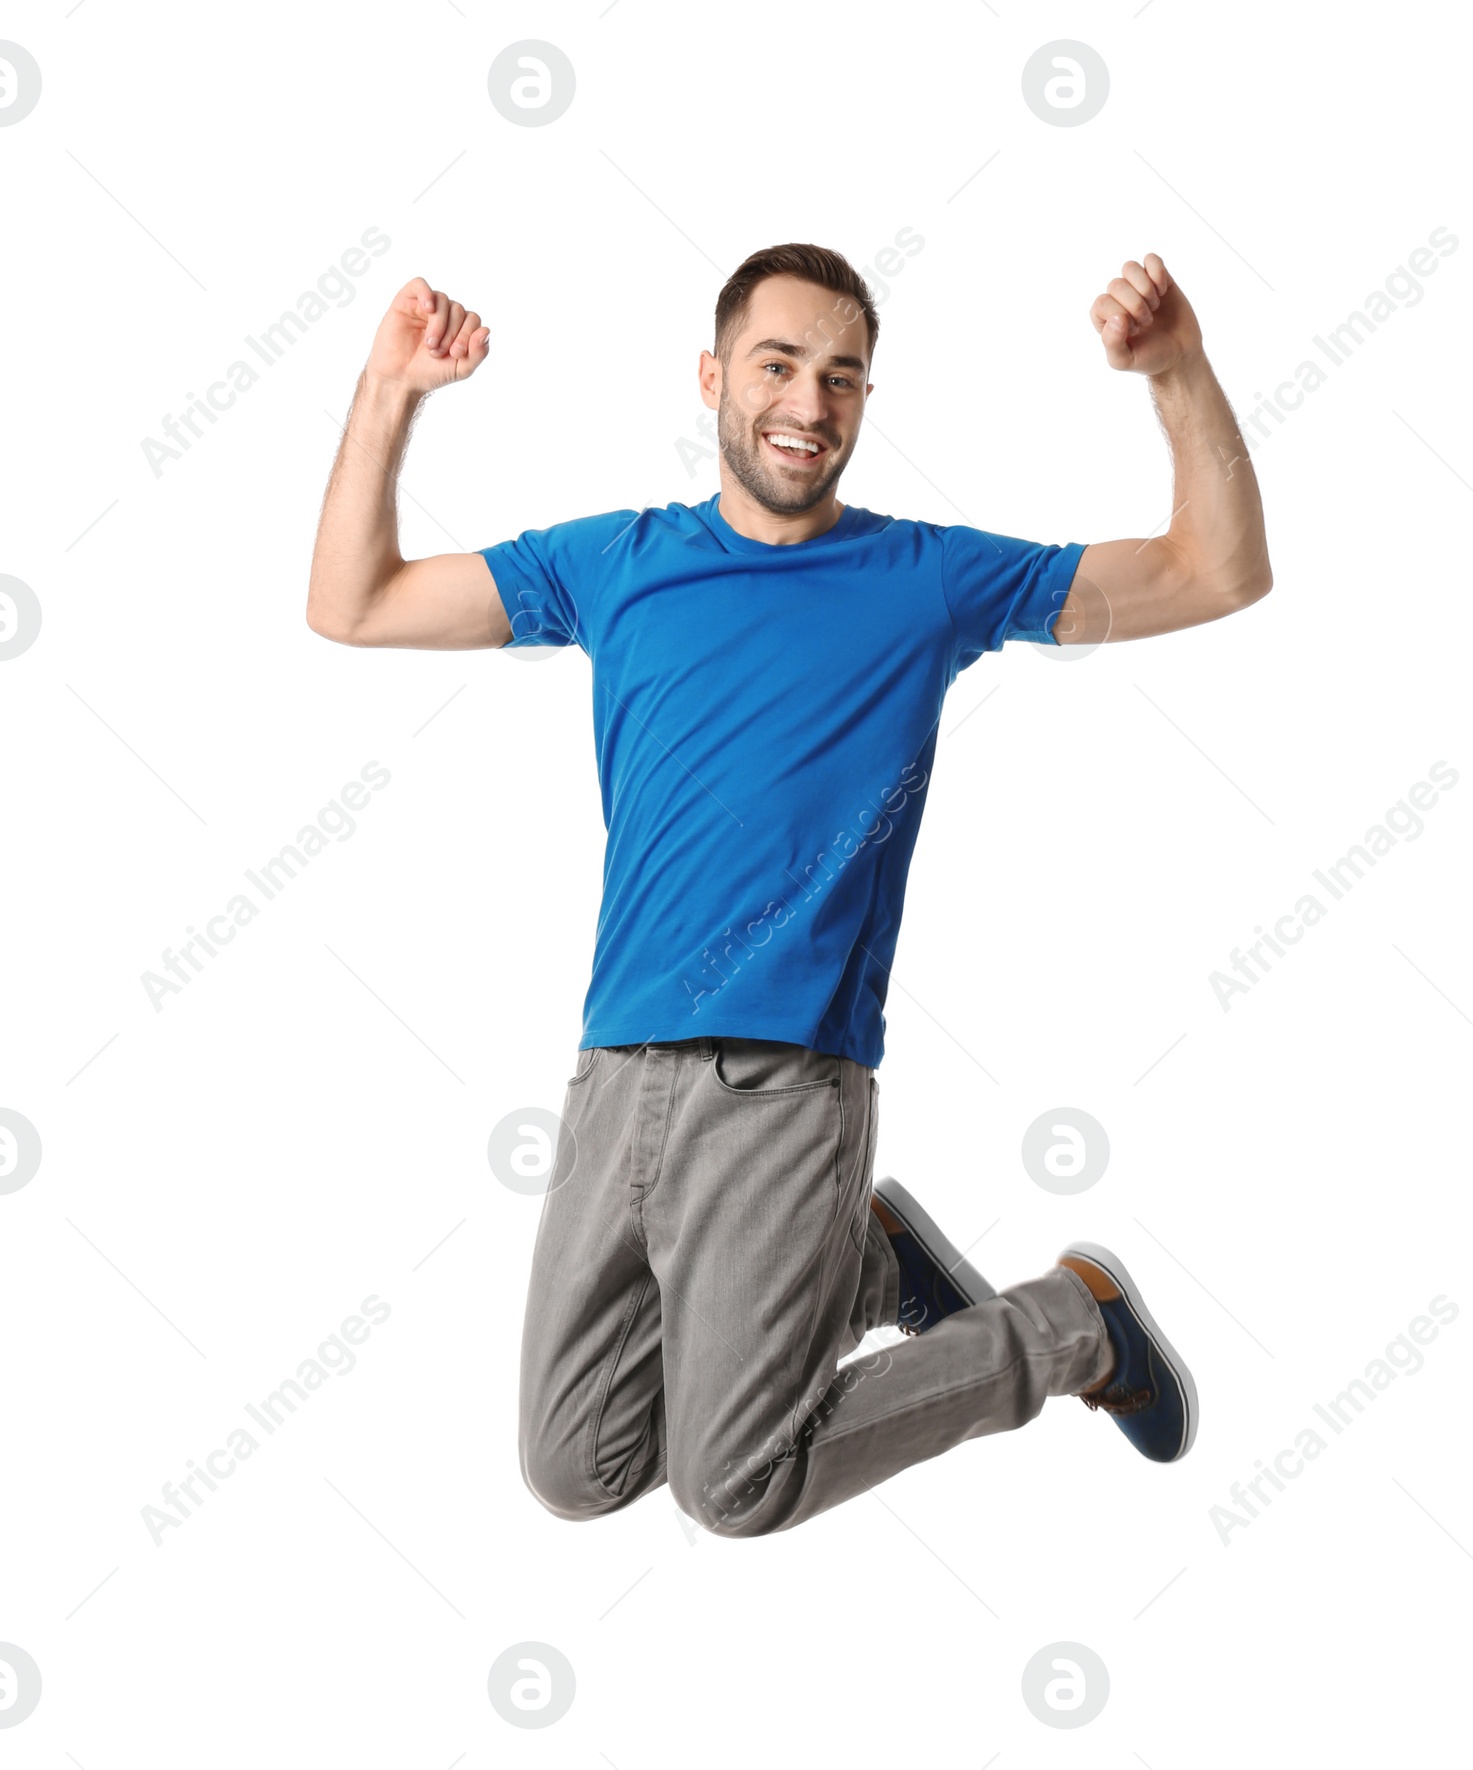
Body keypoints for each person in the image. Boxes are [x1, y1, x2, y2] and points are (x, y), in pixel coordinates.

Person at [306, 242, 1272, 1536]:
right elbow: (352, 604)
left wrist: (1179, 375)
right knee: (575, 1466)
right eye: (777, 364)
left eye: (843, 378)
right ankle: (863, 1261)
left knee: (737, 1484)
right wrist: (389, 391)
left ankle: (1065, 1325)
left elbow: (1216, 573)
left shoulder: (928, 579)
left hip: (786, 1080)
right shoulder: (616, 562)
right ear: (712, 377)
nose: (808, 406)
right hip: (616, 1070)